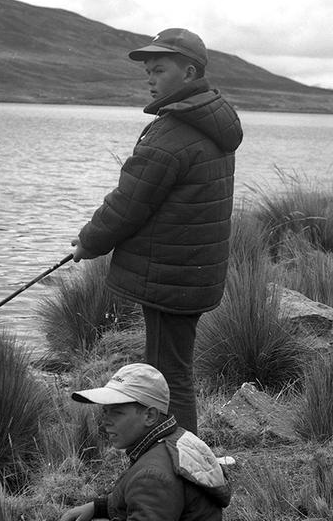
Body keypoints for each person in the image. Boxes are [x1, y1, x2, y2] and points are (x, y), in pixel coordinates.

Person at [71, 28, 243, 434]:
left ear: (188, 72)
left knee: (169, 374)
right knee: (171, 367)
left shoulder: (174, 132)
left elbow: (128, 202)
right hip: (191, 271)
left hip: (172, 275)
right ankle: (176, 458)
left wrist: (88, 243)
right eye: (147, 70)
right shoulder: (211, 121)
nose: (149, 78)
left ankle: (181, 466)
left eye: (159, 69)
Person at [58, 363, 231, 521]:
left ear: (150, 416)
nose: (105, 421)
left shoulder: (152, 475)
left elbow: (151, 487)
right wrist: (99, 507)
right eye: (105, 411)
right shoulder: (174, 438)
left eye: (116, 412)